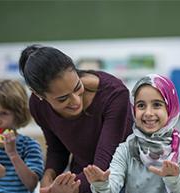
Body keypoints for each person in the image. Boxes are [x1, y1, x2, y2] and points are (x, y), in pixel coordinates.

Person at [19, 45, 133, 193]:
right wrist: (48, 176)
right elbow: (57, 149)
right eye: (63, 98)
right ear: (39, 95)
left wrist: (69, 189)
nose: (76, 101)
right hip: (78, 179)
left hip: (120, 180)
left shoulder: (115, 95)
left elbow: (105, 164)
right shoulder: (37, 105)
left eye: (77, 87)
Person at [83, 74, 180, 193]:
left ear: (171, 108)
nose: (148, 113)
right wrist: (101, 184)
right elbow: (112, 187)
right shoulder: (127, 149)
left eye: (157, 105)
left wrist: (174, 179)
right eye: (141, 105)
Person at [0, 79, 44, 193]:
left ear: (18, 115)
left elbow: (32, 184)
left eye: (4, 113)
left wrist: (13, 154)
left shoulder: (29, 145)